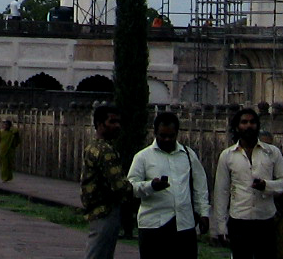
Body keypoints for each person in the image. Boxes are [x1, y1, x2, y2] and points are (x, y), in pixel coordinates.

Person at [128, 110, 210, 259]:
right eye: (162, 136)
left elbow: (200, 186)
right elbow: (131, 187)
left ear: (177, 133)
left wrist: (204, 213)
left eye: (170, 136)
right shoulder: (143, 157)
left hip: (184, 224)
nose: (166, 140)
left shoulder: (188, 155)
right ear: (155, 133)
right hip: (153, 225)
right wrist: (151, 186)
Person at [210, 108, 283, 259]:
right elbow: (221, 192)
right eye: (244, 122)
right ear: (237, 127)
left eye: (252, 122)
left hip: (265, 220)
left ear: (257, 126)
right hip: (239, 221)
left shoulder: (272, 152)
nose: (248, 126)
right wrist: (220, 227)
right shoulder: (227, 156)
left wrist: (266, 185)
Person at [81, 104, 132, 259]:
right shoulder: (106, 151)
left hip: (95, 209)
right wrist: (144, 188)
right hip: (106, 210)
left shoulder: (92, 147)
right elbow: (119, 186)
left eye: (118, 122)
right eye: (112, 122)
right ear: (99, 124)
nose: (117, 126)